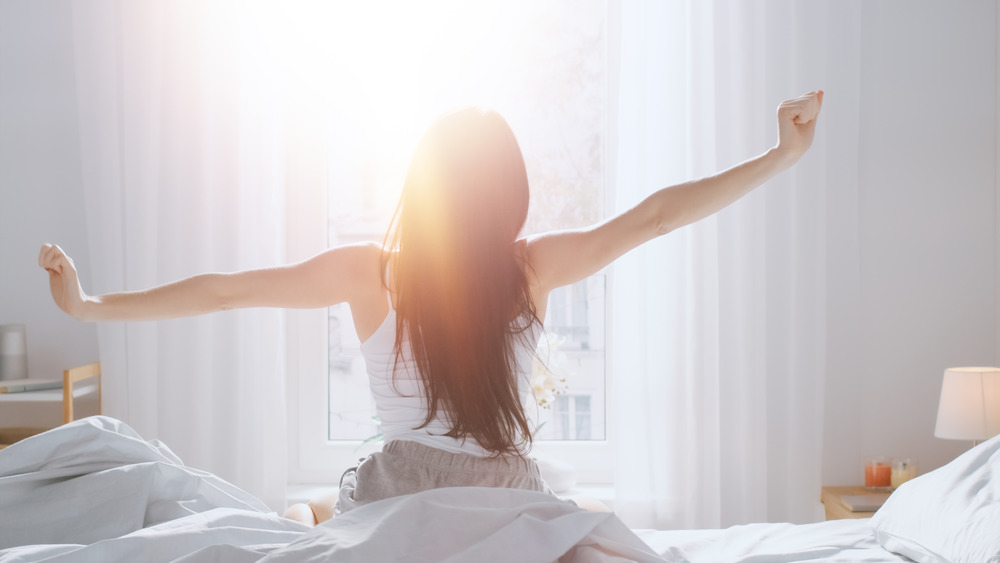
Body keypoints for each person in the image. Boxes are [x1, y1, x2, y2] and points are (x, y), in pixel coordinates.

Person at [39, 91, 823, 526]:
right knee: (307, 510)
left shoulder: (371, 273)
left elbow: (224, 290)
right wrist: (782, 154)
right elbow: (656, 216)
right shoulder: (532, 268)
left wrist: (91, 305)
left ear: (425, 189)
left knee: (302, 513)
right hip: (505, 495)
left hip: (399, 490)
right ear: (509, 193)